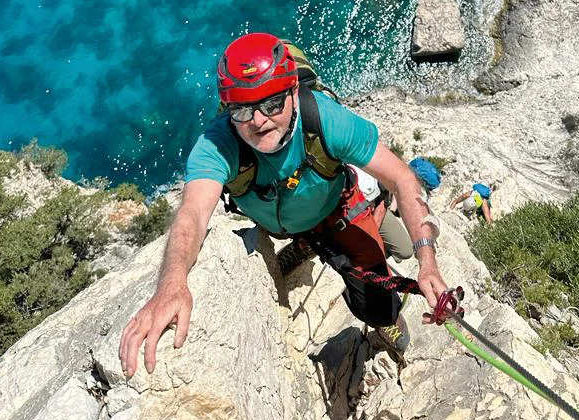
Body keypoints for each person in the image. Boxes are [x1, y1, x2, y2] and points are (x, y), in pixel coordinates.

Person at [119, 33, 448, 378]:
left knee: (375, 284)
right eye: (242, 109)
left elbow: (402, 179)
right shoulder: (217, 145)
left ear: (293, 92)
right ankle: (305, 243)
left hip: (336, 211)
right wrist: (171, 285)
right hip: (280, 219)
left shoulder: (327, 121)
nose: (258, 121)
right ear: (228, 108)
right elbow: (192, 214)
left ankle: (383, 319)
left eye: (272, 104)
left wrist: (427, 261)